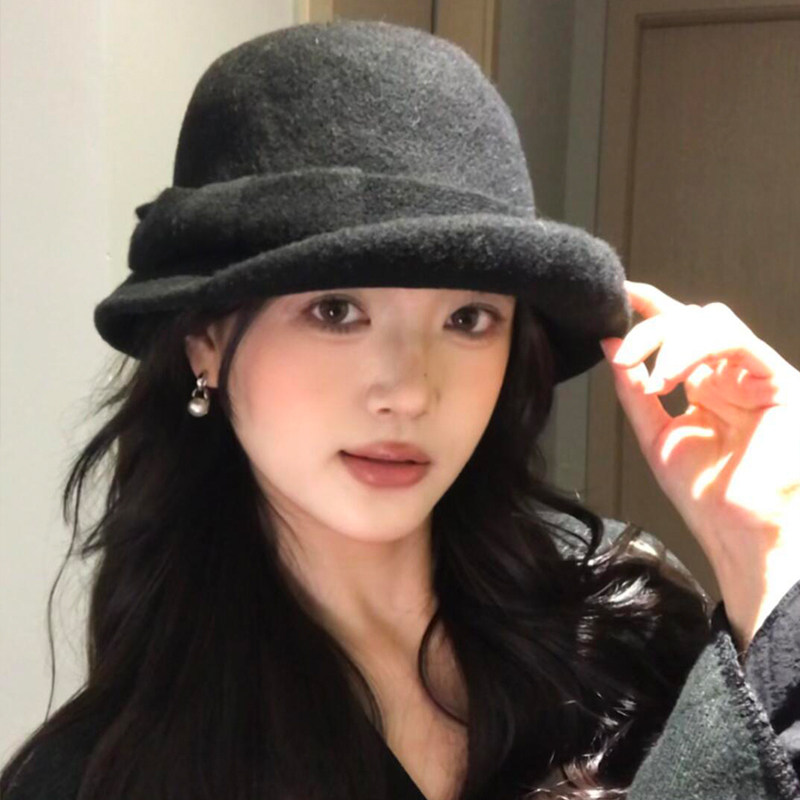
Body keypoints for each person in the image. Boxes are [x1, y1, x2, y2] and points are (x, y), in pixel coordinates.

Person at [2, 18, 798, 800]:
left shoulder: (622, 628)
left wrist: (773, 568)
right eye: (336, 311)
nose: (412, 391)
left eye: (468, 318)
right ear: (204, 342)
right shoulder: (105, 776)